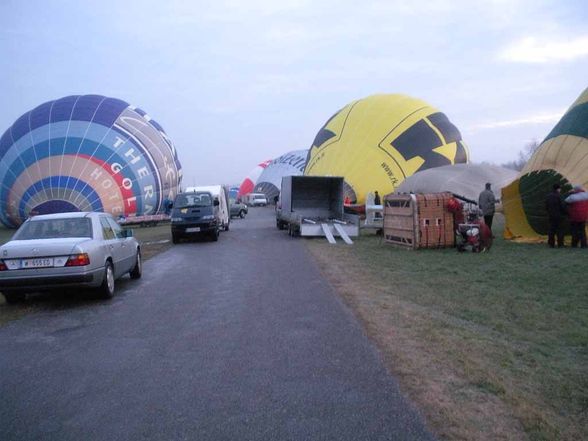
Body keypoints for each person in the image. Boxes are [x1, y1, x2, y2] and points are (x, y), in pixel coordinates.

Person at [545, 183, 566, 248]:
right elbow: (562, 206)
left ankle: (551, 244)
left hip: (551, 215)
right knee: (560, 230)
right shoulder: (559, 196)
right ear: (558, 189)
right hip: (559, 216)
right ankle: (560, 244)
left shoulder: (548, 196)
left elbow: (546, 206)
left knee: (551, 230)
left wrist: (549, 212)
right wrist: (565, 213)